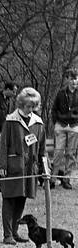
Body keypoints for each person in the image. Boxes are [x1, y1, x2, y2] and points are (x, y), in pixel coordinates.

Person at [0, 87, 49, 245]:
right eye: (28, 106)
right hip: (13, 166)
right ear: (21, 104)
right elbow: (3, 145)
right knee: (9, 199)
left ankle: (15, 232)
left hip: (29, 167)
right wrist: (2, 165)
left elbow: (42, 149)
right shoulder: (10, 121)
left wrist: (45, 167)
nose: (31, 109)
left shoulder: (38, 123)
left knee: (22, 198)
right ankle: (7, 234)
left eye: (34, 106)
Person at [50, 62, 78, 190]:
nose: (74, 81)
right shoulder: (61, 93)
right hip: (60, 125)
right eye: (72, 79)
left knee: (70, 154)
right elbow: (54, 108)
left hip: (74, 126)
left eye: (76, 79)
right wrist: (55, 122)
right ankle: (52, 179)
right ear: (67, 79)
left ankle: (67, 179)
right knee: (58, 152)